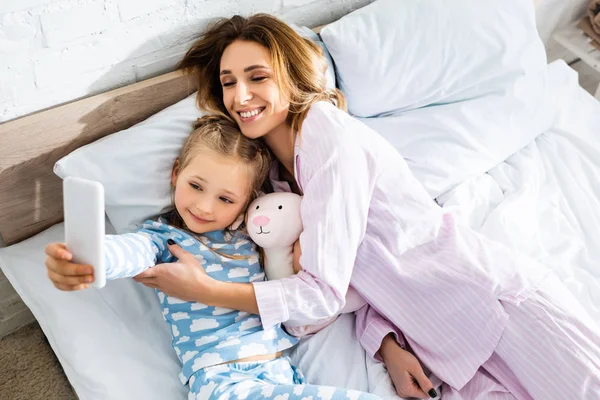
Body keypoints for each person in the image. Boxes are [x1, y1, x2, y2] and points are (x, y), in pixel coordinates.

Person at [48, 14, 600, 399]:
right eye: (228, 83)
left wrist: (204, 291)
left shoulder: (327, 136)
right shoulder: (274, 183)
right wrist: (385, 345)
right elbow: (367, 271)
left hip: (495, 309)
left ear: (289, 75)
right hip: (438, 345)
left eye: (257, 77)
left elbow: (321, 291)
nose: (241, 97)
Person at [45, 115, 381, 400]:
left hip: (280, 370)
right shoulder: (165, 238)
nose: (205, 207)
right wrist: (91, 256)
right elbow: (130, 252)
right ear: (176, 173)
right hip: (221, 379)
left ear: (249, 200)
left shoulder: (252, 233)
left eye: (225, 198)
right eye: (195, 186)